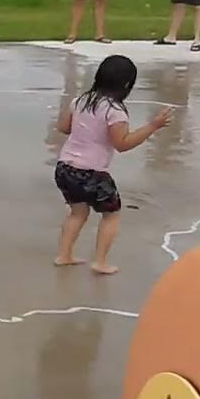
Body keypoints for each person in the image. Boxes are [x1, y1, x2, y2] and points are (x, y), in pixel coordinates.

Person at [52, 55, 171, 275]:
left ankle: (64, 255)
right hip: (92, 173)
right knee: (111, 214)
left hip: (65, 167)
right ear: (127, 85)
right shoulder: (114, 110)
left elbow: (63, 127)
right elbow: (122, 144)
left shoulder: (80, 100)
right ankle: (99, 261)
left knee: (77, 213)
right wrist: (152, 126)